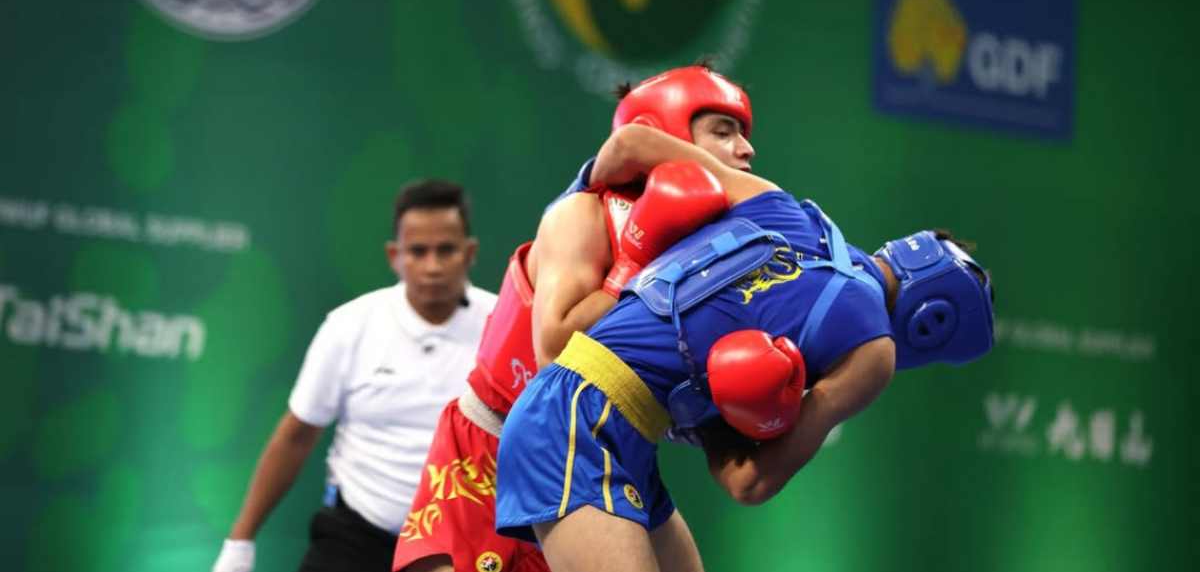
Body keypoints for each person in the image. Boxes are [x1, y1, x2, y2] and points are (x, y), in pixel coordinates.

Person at [493, 124, 996, 572]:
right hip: (578, 422)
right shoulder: (874, 353)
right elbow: (748, 482)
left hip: (603, 420)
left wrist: (594, 207)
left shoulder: (779, 203)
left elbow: (630, 144)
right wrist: (724, 417)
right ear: (931, 325)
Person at [393, 66, 755, 572]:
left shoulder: (709, 249)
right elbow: (555, 355)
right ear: (665, 132)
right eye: (723, 130)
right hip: (496, 447)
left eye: (742, 133)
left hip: (614, 446)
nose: (745, 149)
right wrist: (632, 262)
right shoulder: (584, 216)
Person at [212, 180, 496, 572]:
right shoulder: (349, 325)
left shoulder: (503, 328)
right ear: (394, 256)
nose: (432, 265)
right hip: (355, 536)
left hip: (458, 544)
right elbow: (295, 436)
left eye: (446, 250)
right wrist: (239, 542)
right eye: (418, 251)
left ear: (470, 253)